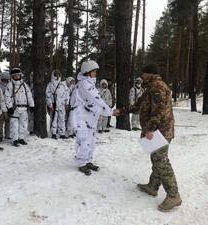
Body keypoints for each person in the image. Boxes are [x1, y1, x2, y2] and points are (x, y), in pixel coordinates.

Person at [117, 64, 181, 211]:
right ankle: (153, 186)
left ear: (151, 74)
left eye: (144, 73)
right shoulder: (150, 88)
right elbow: (139, 106)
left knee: (161, 161)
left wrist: (150, 129)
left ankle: (173, 195)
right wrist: (122, 111)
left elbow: (159, 112)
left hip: (160, 131)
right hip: (156, 130)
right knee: (156, 158)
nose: (142, 76)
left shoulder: (158, 87)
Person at [70, 60, 116, 176]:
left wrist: (107, 111)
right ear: (88, 72)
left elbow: (95, 103)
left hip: (89, 118)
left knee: (90, 140)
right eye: (94, 71)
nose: (95, 73)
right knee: (84, 139)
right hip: (81, 118)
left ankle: (88, 160)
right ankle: (82, 163)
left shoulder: (89, 84)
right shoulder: (84, 85)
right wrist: (110, 112)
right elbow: (97, 100)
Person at [5, 68, 34, 147]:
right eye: (15, 75)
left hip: (24, 108)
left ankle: (21, 138)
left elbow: (29, 95)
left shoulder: (24, 85)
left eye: (18, 74)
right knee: (14, 125)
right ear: (12, 76)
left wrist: (31, 105)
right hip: (15, 108)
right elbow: (7, 97)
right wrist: (9, 107)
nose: (17, 76)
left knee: (23, 124)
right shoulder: (10, 85)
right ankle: (14, 139)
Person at [46, 70, 69, 139]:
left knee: (62, 119)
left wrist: (66, 104)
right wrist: (50, 105)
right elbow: (48, 95)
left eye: (59, 74)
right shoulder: (50, 85)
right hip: (54, 104)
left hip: (61, 104)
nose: (57, 76)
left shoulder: (63, 85)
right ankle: (53, 133)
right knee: (54, 119)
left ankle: (62, 133)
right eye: (56, 74)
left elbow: (66, 94)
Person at [0, 71, 11, 142]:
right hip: (1, 107)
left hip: (8, 106)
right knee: (0, 122)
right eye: (4, 79)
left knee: (8, 121)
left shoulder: (9, 86)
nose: (6, 81)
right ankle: (0, 136)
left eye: (7, 79)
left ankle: (7, 134)